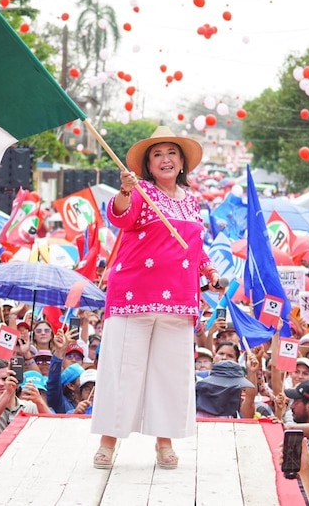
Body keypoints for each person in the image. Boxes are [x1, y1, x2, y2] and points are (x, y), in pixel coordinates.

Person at [91, 126, 222, 471]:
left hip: (179, 299)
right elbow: (121, 215)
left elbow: (195, 249)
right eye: (157, 154)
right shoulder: (141, 192)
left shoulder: (192, 202)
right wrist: (125, 190)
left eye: (171, 154)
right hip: (134, 295)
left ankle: (164, 444)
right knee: (123, 369)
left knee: (170, 373)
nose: (165, 159)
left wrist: (211, 274)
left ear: (182, 163)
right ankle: (108, 442)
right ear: (149, 164)